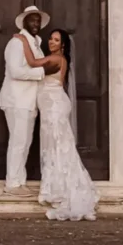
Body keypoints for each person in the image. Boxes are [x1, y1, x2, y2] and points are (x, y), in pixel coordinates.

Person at [20, 24, 99, 221]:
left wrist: (23, 41)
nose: (51, 42)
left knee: (57, 145)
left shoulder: (55, 59)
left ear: (63, 45)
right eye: (51, 39)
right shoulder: (60, 58)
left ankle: (59, 190)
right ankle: (56, 187)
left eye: (56, 40)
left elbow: (31, 62)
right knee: (55, 145)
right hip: (52, 104)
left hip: (54, 105)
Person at [0, 5, 47, 190]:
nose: (36, 23)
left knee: (24, 142)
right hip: (17, 99)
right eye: (32, 20)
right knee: (18, 142)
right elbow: (15, 71)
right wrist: (41, 73)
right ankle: (12, 183)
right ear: (24, 22)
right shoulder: (16, 43)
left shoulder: (35, 43)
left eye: (38, 20)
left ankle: (20, 181)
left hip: (29, 101)